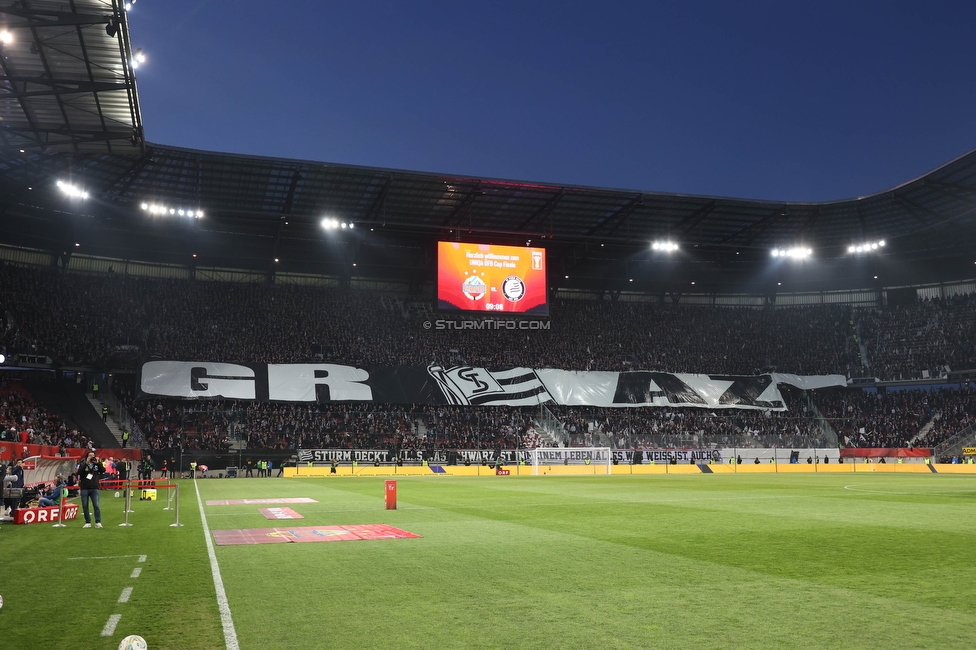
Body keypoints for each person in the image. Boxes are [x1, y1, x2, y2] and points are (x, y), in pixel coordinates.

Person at [78, 451, 105, 528]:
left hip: (94, 487)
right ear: (87, 456)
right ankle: (87, 522)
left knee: (96, 505)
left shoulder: (97, 464)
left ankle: (98, 521)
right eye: (90, 456)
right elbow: (79, 472)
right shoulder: (83, 463)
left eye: (93, 456)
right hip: (85, 488)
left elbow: (103, 470)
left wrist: (98, 463)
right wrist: (86, 463)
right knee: (85, 506)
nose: (91, 457)